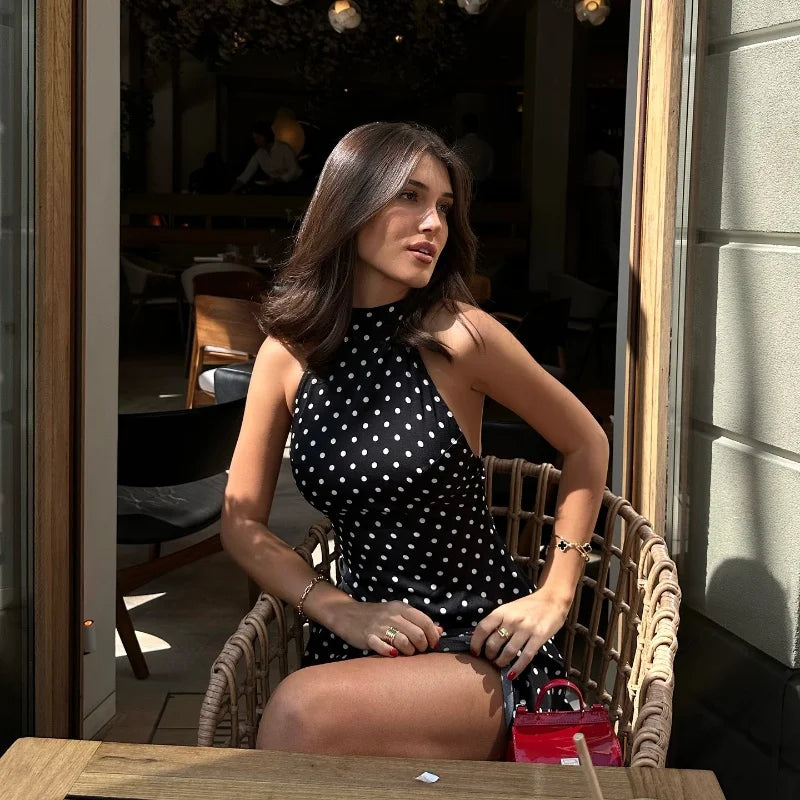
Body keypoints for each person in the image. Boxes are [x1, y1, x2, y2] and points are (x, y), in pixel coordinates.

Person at [221, 122, 609, 760]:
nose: (432, 223)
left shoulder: (459, 335)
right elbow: (241, 524)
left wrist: (555, 593)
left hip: (478, 645)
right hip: (359, 639)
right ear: (349, 202)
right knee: (309, 720)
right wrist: (339, 609)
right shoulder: (288, 354)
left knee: (297, 712)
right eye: (409, 196)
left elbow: (587, 442)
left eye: (445, 209)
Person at [230, 121, 302, 192]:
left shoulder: (283, 148)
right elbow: (246, 174)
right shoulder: (259, 154)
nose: (255, 141)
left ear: (265, 136)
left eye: (257, 138)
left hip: (296, 185)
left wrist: (278, 179)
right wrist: (232, 191)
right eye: (254, 139)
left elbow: (294, 170)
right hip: (277, 187)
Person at [454, 112, 495, 185]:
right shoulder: (486, 147)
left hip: (463, 187)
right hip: (482, 188)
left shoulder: (458, 145)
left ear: (464, 126)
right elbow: (489, 172)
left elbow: (453, 169)